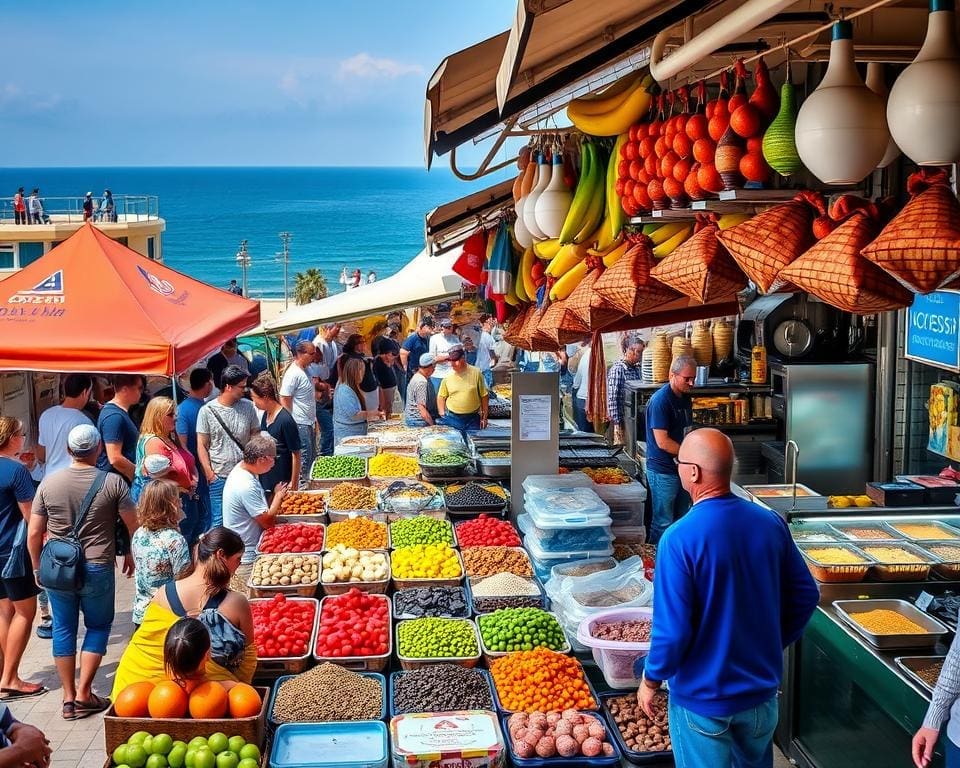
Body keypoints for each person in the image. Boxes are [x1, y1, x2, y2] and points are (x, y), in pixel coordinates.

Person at [639, 428, 819, 767]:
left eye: (679, 462)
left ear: (693, 472)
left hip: (702, 701)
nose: (677, 468)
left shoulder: (679, 539)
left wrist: (650, 679)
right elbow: (806, 595)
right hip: (759, 699)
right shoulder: (769, 523)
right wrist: (769, 643)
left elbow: (672, 632)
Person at [28, 424, 138, 720]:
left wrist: (38, 568)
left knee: (63, 629)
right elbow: (132, 523)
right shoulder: (113, 483)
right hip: (97, 566)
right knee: (99, 626)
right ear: (99, 449)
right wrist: (129, 552)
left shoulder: (48, 484)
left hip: (58, 570)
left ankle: (67, 696)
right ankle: (84, 692)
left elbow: (34, 532)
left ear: (68, 450)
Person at [111, 527, 257, 699]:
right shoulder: (235, 602)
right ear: (221, 555)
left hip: (133, 686)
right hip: (201, 697)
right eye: (238, 559)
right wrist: (241, 688)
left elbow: (145, 642)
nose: (239, 565)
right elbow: (247, 659)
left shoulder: (163, 592)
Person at [0, 419, 45, 700]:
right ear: (12, 438)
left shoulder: (16, 470)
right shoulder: (16, 472)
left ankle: (4, 672)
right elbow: (31, 518)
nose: (24, 439)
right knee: (26, 613)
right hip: (12, 554)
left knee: (4, 612)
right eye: (21, 434)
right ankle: (10, 679)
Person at [222, 436, 288, 593]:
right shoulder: (246, 484)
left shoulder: (243, 469)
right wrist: (278, 496)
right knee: (251, 599)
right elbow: (267, 522)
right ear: (262, 459)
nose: (275, 462)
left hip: (245, 547)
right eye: (273, 458)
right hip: (246, 555)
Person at [197, 366, 260, 530]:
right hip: (219, 475)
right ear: (228, 387)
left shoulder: (248, 407)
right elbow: (202, 445)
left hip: (244, 474)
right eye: (241, 386)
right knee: (219, 522)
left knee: (247, 519)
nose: (244, 390)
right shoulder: (207, 411)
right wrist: (209, 473)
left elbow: (255, 435)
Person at [645, 355, 696, 545]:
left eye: (693, 378)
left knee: (682, 518)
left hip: (681, 468)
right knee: (663, 522)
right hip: (663, 471)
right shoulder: (661, 401)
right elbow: (663, 442)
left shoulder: (685, 398)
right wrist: (691, 454)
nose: (691, 383)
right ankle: (656, 562)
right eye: (687, 378)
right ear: (672, 375)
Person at [130, 480, 191, 629]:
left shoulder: (139, 533)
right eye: (178, 500)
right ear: (170, 505)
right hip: (167, 615)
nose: (181, 504)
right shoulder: (174, 540)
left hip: (142, 612)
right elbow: (183, 581)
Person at [130, 397, 198, 505]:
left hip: (181, 499)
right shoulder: (154, 442)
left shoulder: (169, 437)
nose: (175, 418)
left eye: (175, 414)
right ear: (157, 417)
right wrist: (182, 489)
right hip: (165, 505)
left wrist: (192, 478)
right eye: (170, 414)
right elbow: (159, 483)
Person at [176, 368, 214, 546]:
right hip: (196, 473)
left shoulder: (184, 409)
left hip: (198, 472)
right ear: (207, 384)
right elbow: (181, 444)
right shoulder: (198, 409)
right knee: (199, 518)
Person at [250, 374, 300, 497]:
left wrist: (293, 483)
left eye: (255, 398)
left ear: (265, 397)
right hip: (266, 479)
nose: (254, 402)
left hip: (282, 480)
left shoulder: (285, 420)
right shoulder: (265, 416)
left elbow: (296, 454)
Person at [36, 374, 94, 480]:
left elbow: (41, 455)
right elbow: (90, 458)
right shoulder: (84, 422)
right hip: (73, 482)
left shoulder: (46, 415)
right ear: (85, 392)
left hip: (49, 480)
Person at [279, 341, 317, 488]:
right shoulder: (293, 374)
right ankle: (302, 488)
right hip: (299, 423)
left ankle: (309, 486)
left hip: (309, 421)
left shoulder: (306, 371)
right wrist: (289, 422)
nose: (314, 357)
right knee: (304, 460)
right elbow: (284, 397)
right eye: (311, 353)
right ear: (301, 354)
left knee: (312, 458)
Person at [96, 374, 143, 483]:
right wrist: (137, 477)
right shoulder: (114, 417)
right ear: (125, 389)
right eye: (138, 388)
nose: (141, 392)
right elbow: (115, 458)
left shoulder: (118, 413)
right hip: (117, 484)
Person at [437, 345, 488, 435]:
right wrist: (442, 413)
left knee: (473, 444)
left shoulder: (476, 373)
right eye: (451, 361)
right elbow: (441, 396)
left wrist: (484, 417)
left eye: (455, 361)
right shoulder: (447, 376)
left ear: (463, 358)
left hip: (473, 418)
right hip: (453, 418)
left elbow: (484, 396)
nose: (453, 364)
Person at [334, 358, 384, 446]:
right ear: (355, 372)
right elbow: (354, 415)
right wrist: (372, 413)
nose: (363, 375)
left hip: (355, 433)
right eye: (362, 371)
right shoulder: (345, 390)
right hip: (348, 435)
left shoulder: (351, 387)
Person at [606, 334, 645, 446]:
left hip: (634, 418)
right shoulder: (618, 369)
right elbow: (613, 398)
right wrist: (617, 424)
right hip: (622, 419)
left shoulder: (636, 368)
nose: (640, 356)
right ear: (629, 351)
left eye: (641, 352)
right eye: (638, 352)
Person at [311, 323, 340, 457]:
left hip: (327, 392)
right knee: (328, 429)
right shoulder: (319, 343)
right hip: (320, 397)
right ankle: (324, 455)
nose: (339, 330)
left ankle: (328, 452)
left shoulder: (333, 344)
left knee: (330, 428)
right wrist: (327, 387)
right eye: (337, 327)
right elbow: (316, 382)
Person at [336, 334, 379, 413]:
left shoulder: (362, 356)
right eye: (360, 342)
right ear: (354, 345)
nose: (363, 344)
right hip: (361, 391)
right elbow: (353, 378)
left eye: (364, 342)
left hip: (370, 389)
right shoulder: (349, 358)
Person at [404, 354, 439, 428]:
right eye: (434, 367)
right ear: (429, 367)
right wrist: (433, 426)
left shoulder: (416, 376)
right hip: (418, 421)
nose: (434, 369)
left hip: (412, 419)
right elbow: (421, 409)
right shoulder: (421, 382)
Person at [428, 318, 460, 391]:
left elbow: (458, 355)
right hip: (437, 374)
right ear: (441, 328)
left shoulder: (455, 338)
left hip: (452, 373)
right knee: (438, 398)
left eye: (450, 327)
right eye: (446, 327)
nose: (449, 329)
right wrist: (450, 357)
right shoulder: (434, 338)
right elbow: (433, 359)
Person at [400, 316, 435, 382]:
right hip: (414, 370)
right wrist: (404, 367)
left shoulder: (427, 338)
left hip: (423, 369)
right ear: (422, 327)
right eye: (428, 327)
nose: (430, 330)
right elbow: (403, 352)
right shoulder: (413, 338)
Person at [372, 338, 401, 418]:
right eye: (392, 354)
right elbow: (378, 385)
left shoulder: (388, 361)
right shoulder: (377, 363)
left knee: (394, 413)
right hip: (385, 392)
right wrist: (382, 405)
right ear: (386, 353)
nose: (394, 357)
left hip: (392, 390)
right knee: (387, 413)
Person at [571, 340, 592, 433]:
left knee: (584, 433)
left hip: (582, 398)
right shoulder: (599, 355)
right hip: (593, 400)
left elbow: (576, 382)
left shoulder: (586, 355)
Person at [475, 315, 497, 389]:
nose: (493, 322)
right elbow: (492, 354)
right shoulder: (487, 336)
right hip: (485, 369)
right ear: (486, 322)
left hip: (478, 369)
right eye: (492, 320)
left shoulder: (479, 335)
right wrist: (494, 362)